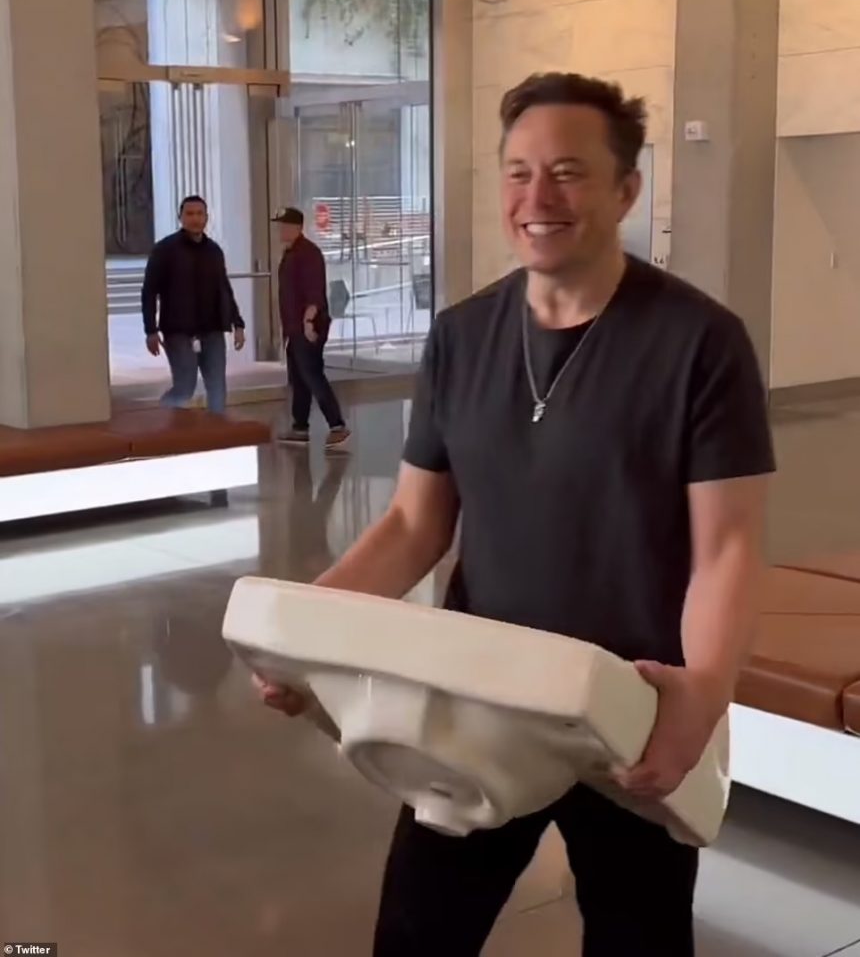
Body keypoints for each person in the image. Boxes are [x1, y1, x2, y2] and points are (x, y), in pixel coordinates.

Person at [255, 73, 774, 956]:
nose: (537, 198)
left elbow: (725, 548)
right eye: (519, 172)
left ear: (626, 190)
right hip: (477, 700)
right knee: (417, 935)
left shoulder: (699, 342)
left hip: (627, 707)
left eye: (568, 173)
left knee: (639, 939)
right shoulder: (461, 336)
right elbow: (414, 525)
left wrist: (705, 692)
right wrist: (307, 632)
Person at [141, 195, 245, 414]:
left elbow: (224, 288)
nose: (195, 219)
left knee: (217, 385)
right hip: (179, 331)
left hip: (212, 329)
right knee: (184, 386)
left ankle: (217, 428)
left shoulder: (214, 251)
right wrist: (150, 329)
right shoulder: (165, 250)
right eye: (189, 214)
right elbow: (149, 291)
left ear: (206, 217)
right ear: (180, 217)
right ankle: (164, 418)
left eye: (199, 214)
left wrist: (238, 323)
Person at [273, 206, 350, 448]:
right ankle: (300, 427)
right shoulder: (291, 252)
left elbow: (314, 292)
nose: (280, 230)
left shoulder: (308, 253)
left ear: (296, 227)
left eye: (284, 226)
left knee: (312, 375)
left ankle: (337, 425)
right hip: (294, 328)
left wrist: (308, 323)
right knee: (298, 377)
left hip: (307, 327)